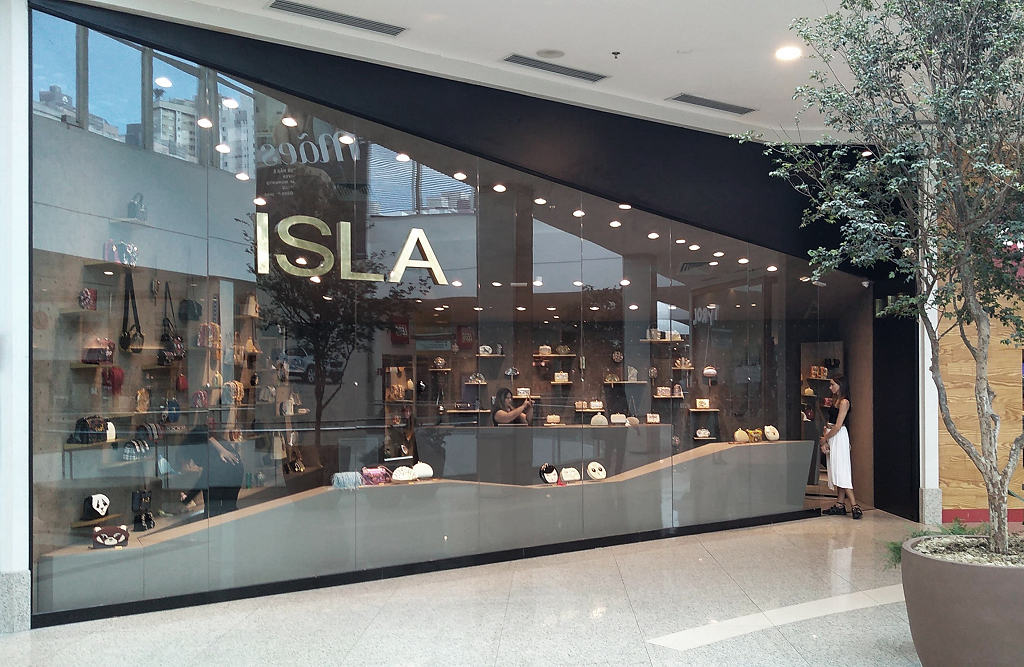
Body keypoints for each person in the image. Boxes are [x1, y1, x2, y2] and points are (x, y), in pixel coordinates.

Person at [820, 374, 861, 519]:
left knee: (841, 470)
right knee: (837, 470)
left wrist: (825, 439)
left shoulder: (844, 402)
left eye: (833, 384)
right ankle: (840, 504)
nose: (830, 387)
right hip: (832, 434)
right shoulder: (836, 401)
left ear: (840, 385)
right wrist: (825, 436)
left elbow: (838, 425)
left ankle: (854, 505)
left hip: (837, 435)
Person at [180, 425, 244, 518]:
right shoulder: (216, 442)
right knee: (229, 508)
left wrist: (186, 500)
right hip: (237, 469)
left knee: (212, 511)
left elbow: (203, 481)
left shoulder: (205, 450)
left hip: (224, 472)